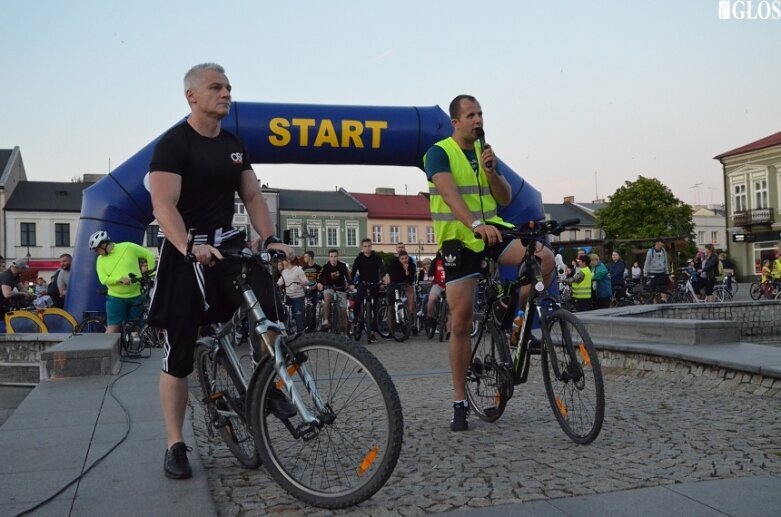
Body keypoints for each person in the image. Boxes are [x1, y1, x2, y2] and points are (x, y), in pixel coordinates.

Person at [147, 63, 293, 480]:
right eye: (216, 87)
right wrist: (190, 245)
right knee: (179, 355)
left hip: (226, 247)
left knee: (267, 306)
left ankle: (269, 386)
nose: (226, 93)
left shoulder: (233, 144)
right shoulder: (174, 144)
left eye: (228, 87)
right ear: (192, 96)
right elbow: (163, 205)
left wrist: (268, 239)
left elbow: (252, 195)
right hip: (185, 251)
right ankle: (175, 444)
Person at [423, 94, 554, 431]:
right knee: (462, 322)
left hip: (494, 234)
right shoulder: (439, 152)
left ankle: (515, 316)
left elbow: (505, 197)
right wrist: (474, 225)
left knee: (545, 260)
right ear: (456, 122)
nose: (478, 120)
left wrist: (492, 171)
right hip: (460, 241)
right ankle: (459, 399)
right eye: (471, 115)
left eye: (480, 113)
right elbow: (450, 194)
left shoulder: (485, 153)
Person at [90, 230, 156, 334]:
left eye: (97, 249)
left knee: (135, 329)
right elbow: (103, 280)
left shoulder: (128, 247)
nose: (97, 252)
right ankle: (107, 350)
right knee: (113, 329)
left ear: (103, 245)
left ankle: (130, 349)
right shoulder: (100, 260)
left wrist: (149, 275)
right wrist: (119, 279)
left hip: (136, 296)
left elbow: (150, 255)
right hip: (116, 298)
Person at [351, 238, 385, 343]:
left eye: (369, 246)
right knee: (358, 300)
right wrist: (351, 282)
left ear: (371, 246)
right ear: (362, 247)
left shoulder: (376, 258)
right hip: (363, 283)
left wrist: (384, 277)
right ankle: (356, 319)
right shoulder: (359, 258)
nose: (367, 248)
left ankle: (373, 332)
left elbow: (382, 269)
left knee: (375, 308)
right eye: (365, 246)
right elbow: (353, 271)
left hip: (374, 284)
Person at [317, 249, 352, 333]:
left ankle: (345, 333)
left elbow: (348, 276)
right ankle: (326, 320)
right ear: (328, 258)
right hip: (329, 288)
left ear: (338, 257)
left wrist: (350, 284)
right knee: (327, 298)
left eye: (335, 256)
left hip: (341, 289)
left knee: (343, 311)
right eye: (331, 257)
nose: (333, 259)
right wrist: (320, 283)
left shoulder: (342, 266)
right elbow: (320, 277)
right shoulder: (326, 267)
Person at [384, 249, 417, 335]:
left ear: (408, 258)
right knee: (391, 307)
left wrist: (406, 271)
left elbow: (410, 280)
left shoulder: (412, 265)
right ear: (399, 259)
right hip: (393, 284)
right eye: (402, 259)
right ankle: (391, 331)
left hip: (405, 284)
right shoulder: (394, 264)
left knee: (410, 292)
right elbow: (392, 275)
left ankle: (410, 317)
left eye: (406, 258)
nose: (404, 260)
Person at [277, 256, 308, 334]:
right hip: (288, 297)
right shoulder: (284, 271)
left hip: (298, 297)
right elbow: (279, 282)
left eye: (283, 260)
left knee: (298, 316)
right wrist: (275, 285)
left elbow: (306, 281)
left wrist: (303, 283)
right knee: (284, 313)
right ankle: (288, 329)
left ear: (289, 261)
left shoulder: (298, 269)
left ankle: (301, 334)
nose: (282, 262)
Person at [644, 238, 670, 302]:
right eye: (661, 243)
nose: (662, 244)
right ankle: (653, 302)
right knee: (652, 290)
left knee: (664, 289)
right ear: (657, 243)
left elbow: (666, 262)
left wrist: (667, 272)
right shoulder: (651, 251)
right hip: (653, 273)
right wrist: (645, 273)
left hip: (662, 272)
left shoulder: (663, 251)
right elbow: (647, 263)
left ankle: (663, 301)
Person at [425, 252, 446, 327]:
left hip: (449, 285)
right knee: (431, 299)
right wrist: (431, 277)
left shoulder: (452, 260)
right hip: (438, 284)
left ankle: (449, 330)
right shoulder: (435, 261)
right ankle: (430, 317)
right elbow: (430, 273)